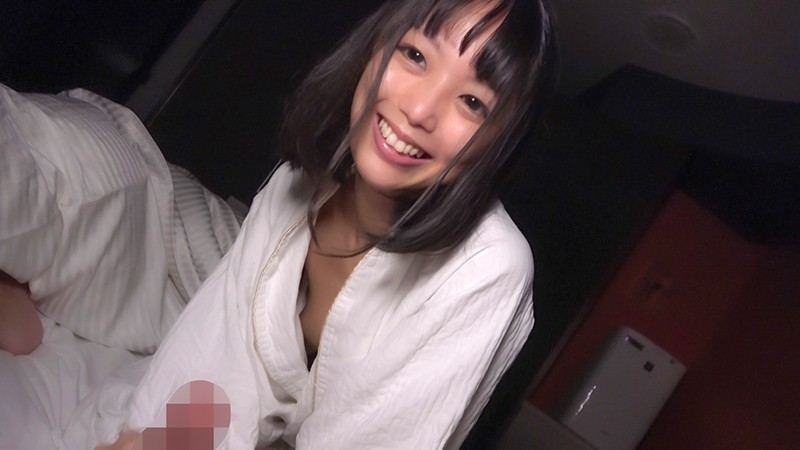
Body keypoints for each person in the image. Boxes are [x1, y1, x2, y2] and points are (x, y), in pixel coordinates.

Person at [92, 0, 557, 448]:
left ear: (498, 143)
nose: (419, 110)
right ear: (376, 44)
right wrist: (157, 439)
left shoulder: (487, 269)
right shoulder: (302, 181)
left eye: (472, 102)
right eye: (415, 55)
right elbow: (221, 349)